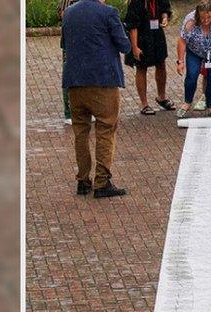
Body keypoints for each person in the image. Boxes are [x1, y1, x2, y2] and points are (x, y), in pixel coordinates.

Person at [63, 0, 131, 198]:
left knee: (81, 132)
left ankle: (83, 180)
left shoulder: (69, 12)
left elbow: (64, 44)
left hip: (75, 81)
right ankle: (102, 181)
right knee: (106, 129)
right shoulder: (109, 12)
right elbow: (124, 46)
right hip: (103, 81)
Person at [176, 3, 211, 118]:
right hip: (194, 52)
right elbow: (182, 41)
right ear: (197, 15)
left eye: (209, 17)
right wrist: (180, 62)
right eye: (202, 18)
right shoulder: (190, 22)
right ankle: (187, 103)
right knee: (192, 75)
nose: (205, 20)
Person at [123, 0, 178, 115]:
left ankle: (162, 97)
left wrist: (164, 17)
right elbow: (132, 26)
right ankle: (144, 104)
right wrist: (134, 47)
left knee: (161, 64)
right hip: (141, 37)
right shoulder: (136, 2)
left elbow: (165, 9)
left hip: (156, 34)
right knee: (141, 67)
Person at [58, 0, 82, 124]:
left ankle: (84, 110)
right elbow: (63, 14)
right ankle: (69, 113)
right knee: (69, 73)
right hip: (71, 40)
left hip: (87, 39)